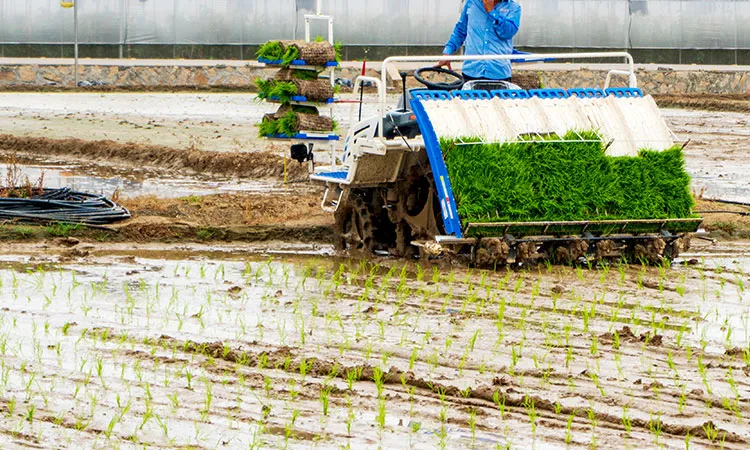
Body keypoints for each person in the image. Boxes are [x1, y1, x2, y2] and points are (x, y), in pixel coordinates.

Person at [438, 0, 522, 83]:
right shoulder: (471, 3)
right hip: (472, 70)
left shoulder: (513, 7)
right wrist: (447, 52)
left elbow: (507, 33)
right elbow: (460, 31)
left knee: (497, 97)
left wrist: (492, 12)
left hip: (498, 72)